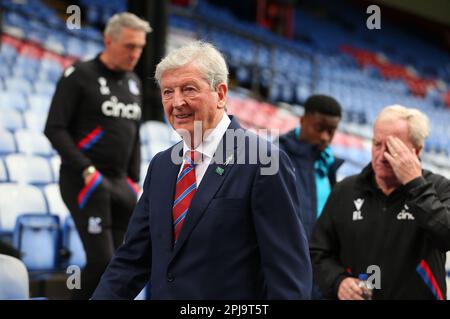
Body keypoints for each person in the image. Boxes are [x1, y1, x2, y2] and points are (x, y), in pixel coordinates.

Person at [91, 41, 312, 299]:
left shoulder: (264, 161)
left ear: (220, 94)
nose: (177, 102)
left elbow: (288, 277)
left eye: (189, 89)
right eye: (167, 92)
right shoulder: (162, 165)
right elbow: (132, 259)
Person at [44, 13, 151, 299]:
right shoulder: (79, 75)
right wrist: (85, 168)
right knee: (103, 262)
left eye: (140, 47)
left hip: (121, 184)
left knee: (123, 266)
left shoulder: (133, 83)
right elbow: (54, 128)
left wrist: (134, 180)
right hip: (85, 181)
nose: (136, 53)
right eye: (130, 46)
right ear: (108, 40)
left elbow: (134, 135)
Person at [310, 105, 450, 300]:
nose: (382, 155)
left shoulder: (439, 188)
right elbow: (318, 251)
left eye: (392, 147)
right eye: (377, 144)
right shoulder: (346, 190)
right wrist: (338, 281)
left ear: (416, 151)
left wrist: (415, 185)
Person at [278, 94, 343, 241]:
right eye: (319, 128)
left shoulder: (328, 163)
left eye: (331, 131)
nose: (325, 137)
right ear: (302, 121)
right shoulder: (274, 155)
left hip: (314, 258)